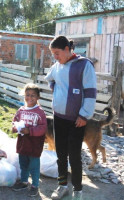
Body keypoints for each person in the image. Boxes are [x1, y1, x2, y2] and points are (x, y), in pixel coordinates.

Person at [45, 36, 97, 200]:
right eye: (53, 54)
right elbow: (49, 78)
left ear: (67, 49)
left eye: (57, 53)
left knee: (74, 156)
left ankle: (78, 191)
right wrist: (55, 88)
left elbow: (90, 92)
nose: (55, 57)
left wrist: (84, 115)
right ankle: (62, 186)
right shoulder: (57, 66)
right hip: (58, 117)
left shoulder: (84, 65)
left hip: (76, 120)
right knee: (60, 154)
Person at [11, 83, 47, 197]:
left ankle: (35, 185)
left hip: (34, 145)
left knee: (34, 166)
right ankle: (24, 181)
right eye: (27, 95)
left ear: (38, 97)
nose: (30, 98)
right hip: (23, 144)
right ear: (24, 95)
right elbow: (14, 121)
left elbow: (42, 128)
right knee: (23, 164)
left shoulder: (40, 112)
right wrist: (15, 128)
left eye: (33, 95)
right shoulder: (21, 110)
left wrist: (30, 131)